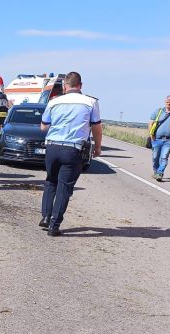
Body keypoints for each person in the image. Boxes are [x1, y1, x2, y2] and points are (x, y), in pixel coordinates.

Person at [39, 72, 102, 236]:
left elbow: (43, 127)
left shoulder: (54, 102)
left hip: (52, 147)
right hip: (72, 149)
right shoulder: (90, 102)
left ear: (65, 86)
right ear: (80, 85)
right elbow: (96, 127)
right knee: (64, 188)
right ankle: (54, 226)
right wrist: (97, 147)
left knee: (51, 181)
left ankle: (45, 216)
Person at [148, 95, 170, 182]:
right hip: (156, 138)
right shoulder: (158, 111)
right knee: (155, 157)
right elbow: (150, 123)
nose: (169, 104)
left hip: (169, 140)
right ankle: (156, 172)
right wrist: (151, 135)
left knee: (164, 157)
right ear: (165, 102)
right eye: (167, 102)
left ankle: (160, 172)